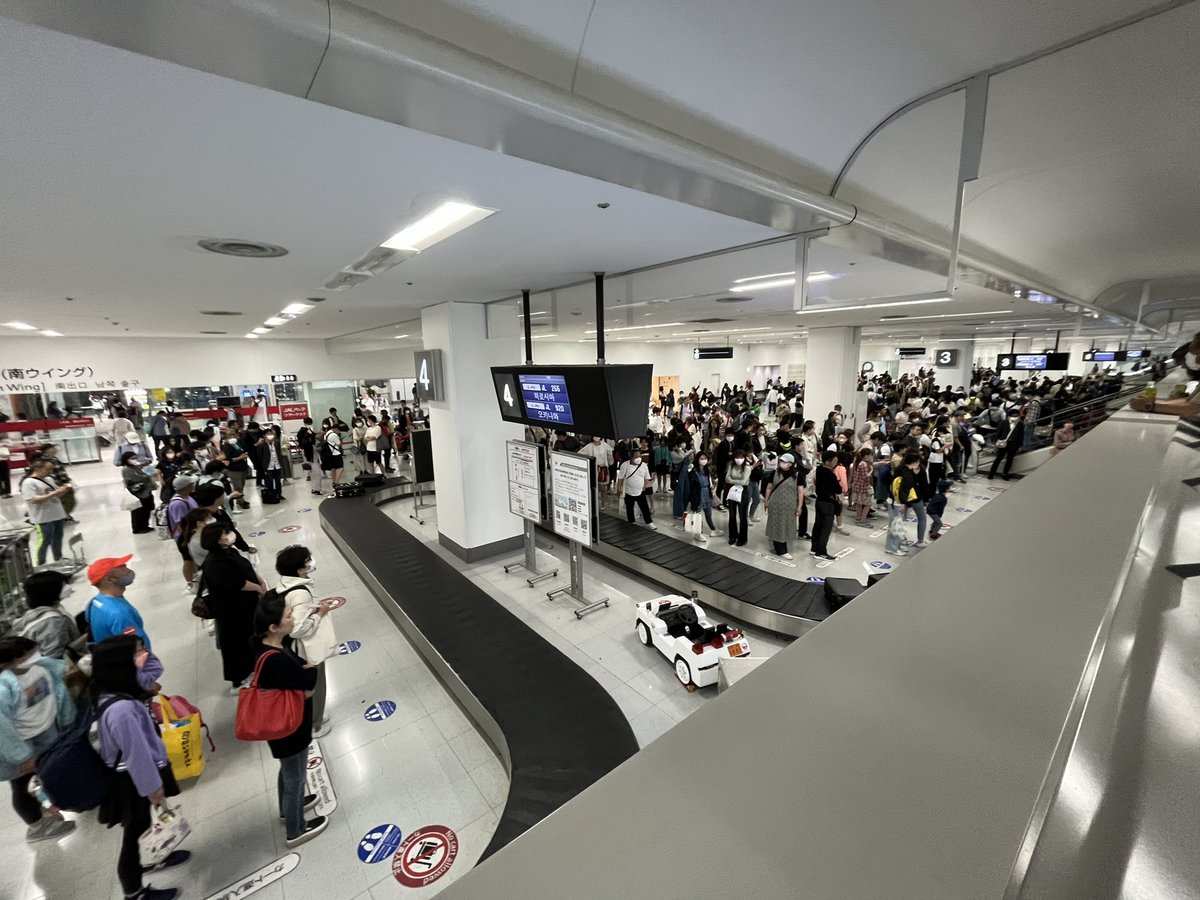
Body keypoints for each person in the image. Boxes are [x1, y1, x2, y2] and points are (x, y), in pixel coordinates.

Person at [92, 636, 187, 900]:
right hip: (131, 780)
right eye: (137, 654)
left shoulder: (112, 690)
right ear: (121, 664)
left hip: (133, 776)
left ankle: (157, 852)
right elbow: (136, 755)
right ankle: (134, 891)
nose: (143, 656)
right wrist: (153, 788)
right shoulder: (121, 710)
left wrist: (143, 654)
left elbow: (154, 669)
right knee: (134, 831)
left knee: (142, 824)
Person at [251, 593, 326, 848]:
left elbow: (301, 669)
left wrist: (306, 672)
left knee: (288, 769)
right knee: (296, 776)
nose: (293, 618)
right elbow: (307, 679)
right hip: (290, 727)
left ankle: (287, 809)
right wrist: (311, 672)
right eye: (288, 616)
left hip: (285, 727)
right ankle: (296, 829)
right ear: (273, 627)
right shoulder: (275, 660)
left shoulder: (271, 647)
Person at [0, 635, 77, 843]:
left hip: (45, 731)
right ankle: (36, 826)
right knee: (22, 785)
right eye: (26, 656)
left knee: (40, 778)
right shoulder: (3, 687)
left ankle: (45, 809)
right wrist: (22, 756)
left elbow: (59, 687)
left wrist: (67, 718)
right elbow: (2, 727)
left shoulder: (42, 666)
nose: (32, 657)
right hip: (18, 743)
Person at [275, 545, 337, 739]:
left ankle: (313, 717)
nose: (311, 562)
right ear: (300, 569)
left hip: (295, 648)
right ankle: (314, 724)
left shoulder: (285, 583)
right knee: (315, 684)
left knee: (310, 683)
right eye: (307, 560)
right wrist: (320, 614)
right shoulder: (300, 593)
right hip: (306, 648)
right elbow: (297, 629)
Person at [200, 523, 267, 692]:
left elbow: (246, 567)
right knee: (236, 643)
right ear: (218, 540)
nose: (230, 534)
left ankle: (254, 668)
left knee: (249, 636)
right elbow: (237, 583)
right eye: (226, 533)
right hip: (231, 610)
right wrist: (258, 588)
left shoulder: (230, 551)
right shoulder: (215, 562)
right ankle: (239, 680)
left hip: (247, 605)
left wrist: (261, 581)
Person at [86, 555, 153, 649]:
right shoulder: (120, 614)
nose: (129, 570)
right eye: (122, 567)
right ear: (110, 579)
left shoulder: (94, 603)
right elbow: (136, 647)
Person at [13, 571, 80, 660]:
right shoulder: (52, 622)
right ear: (51, 591)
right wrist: (84, 637)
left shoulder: (41, 611)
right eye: (64, 585)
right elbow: (55, 657)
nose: (69, 587)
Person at [19, 459, 72, 565]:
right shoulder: (29, 482)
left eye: (51, 469)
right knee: (44, 540)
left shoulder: (49, 479)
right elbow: (33, 500)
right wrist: (54, 493)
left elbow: (56, 494)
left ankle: (58, 557)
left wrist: (64, 489)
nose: (50, 472)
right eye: (47, 469)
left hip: (56, 514)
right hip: (43, 517)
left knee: (57, 537)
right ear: (38, 469)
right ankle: (40, 562)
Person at [763, 453, 802, 559]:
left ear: (791, 463)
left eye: (785, 461)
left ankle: (780, 545)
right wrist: (766, 501)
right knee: (776, 523)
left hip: (790, 504)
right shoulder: (774, 473)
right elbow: (769, 487)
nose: (782, 463)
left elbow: (800, 491)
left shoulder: (798, 475)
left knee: (786, 524)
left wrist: (799, 506)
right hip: (775, 503)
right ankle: (781, 549)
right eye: (781, 461)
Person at [616, 446, 656, 529]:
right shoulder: (625, 465)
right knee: (629, 508)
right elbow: (620, 478)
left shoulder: (644, 465)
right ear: (631, 457)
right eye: (636, 456)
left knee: (645, 508)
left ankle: (649, 522)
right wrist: (618, 488)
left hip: (640, 491)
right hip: (628, 491)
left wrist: (644, 486)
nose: (639, 458)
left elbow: (647, 477)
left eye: (640, 456)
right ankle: (631, 522)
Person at [810, 451, 839, 561]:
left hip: (819, 500)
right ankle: (821, 552)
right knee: (826, 528)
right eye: (834, 460)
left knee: (818, 525)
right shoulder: (830, 474)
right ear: (827, 462)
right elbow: (838, 489)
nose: (836, 462)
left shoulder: (819, 470)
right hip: (828, 503)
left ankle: (814, 548)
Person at [120, 451, 157, 535]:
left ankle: (145, 525)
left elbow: (148, 473)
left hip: (146, 491)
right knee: (138, 511)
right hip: (137, 492)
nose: (134, 460)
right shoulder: (126, 469)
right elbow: (137, 477)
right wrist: (146, 475)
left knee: (146, 509)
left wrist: (147, 468)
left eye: (135, 458)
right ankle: (137, 528)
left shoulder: (136, 467)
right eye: (132, 458)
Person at [685, 453, 719, 541]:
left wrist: (712, 493)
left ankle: (713, 529)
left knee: (708, 513)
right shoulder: (693, 471)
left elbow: (709, 482)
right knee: (698, 515)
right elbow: (691, 485)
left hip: (706, 493)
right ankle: (698, 533)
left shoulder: (706, 470)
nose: (704, 460)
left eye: (705, 459)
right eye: (702, 458)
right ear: (698, 459)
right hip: (697, 495)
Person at [725, 449, 752, 547]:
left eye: (741, 457)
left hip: (743, 492)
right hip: (732, 491)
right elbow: (727, 479)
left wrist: (732, 480)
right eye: (737, 457)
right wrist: (737, 480)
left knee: (742, 516)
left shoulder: (747, 468)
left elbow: (744, 482)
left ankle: (742, 538)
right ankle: (732, 536)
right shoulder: (731, 466)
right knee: (732, 515)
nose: (739, 459)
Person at [988, 411, 1026, 481]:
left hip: (1014, 444)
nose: (1015, 417)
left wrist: (1020, 445)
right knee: (998, 459)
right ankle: (991, 473)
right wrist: (995, 443)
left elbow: (1021, 435)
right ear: (1009, 416)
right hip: (1003, 443)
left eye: (1016, 416)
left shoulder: (1020, 424)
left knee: (1009, 460)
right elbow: (998, 433)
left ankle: (1005, 474)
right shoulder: (1003, 423)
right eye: (1013, 416)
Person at [222, 433, 252, 510]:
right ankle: (240, 501)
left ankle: (241, 499)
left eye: (233, 436)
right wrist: (240, 457)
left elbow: (243, 451)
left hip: (243, 468)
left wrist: (244, 455)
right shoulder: (226, 447)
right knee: (237, 486)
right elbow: (229, 459)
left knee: (241, 486)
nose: (232, 438)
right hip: (234, 469)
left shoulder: (237, 444)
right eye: (230, 437)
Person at [849, 447, 875, 527]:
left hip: (858, 487)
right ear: (866, 456)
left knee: (859, 504)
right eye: (870, 455)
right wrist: (871, 470)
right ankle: (862, 520)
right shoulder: (864, 464)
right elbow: (865, 477)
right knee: (868, 504)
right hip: (863, 488)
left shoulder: (860, 463)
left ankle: (858, 518)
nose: (871, 457)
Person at [319, 424, 344, 490]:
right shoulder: (334, 435)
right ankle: (337, 482)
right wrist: (340, 440)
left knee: (333, 468)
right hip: (336, 453)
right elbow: (339, 444)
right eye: (338, 430)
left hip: (329, 454)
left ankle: (333, 482)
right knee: (340, 468)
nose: (339, 432)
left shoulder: (327, 434)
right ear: (336, 429)